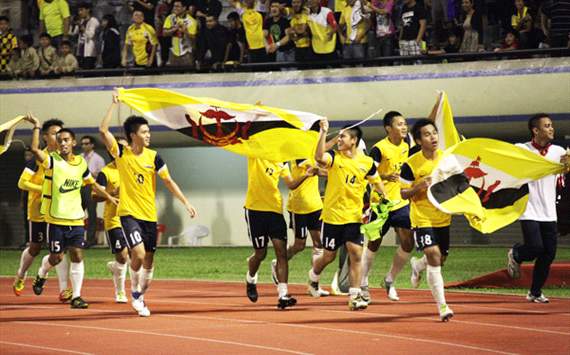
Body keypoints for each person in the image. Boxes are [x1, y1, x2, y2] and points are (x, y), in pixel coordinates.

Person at [100, 92, 197, 317]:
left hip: (149, 216)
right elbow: (103, 131)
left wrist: (186, 202)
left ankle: (140, 294)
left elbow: (169, 181)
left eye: (149, 131)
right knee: (140, 254)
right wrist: (114, 104)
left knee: (150, 262)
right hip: (128, 214)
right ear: (133, 135)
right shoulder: (121, 153)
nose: (148, 135)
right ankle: (134, 291)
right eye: (144, 132)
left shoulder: (154, 157)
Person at [26, 116, 116, 309]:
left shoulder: (81, 164)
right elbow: (34, 150)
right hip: (56, 220)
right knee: (56, 258)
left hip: (76, 218)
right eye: (60, 141)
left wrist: (108, 197)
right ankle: (42, 273)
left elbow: (92, 184)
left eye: (66, 140)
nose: (63, 143)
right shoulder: (52, 161)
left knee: (77, 254)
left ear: (73, 142)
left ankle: (76, 296)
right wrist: (36, 127)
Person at [308, 119, 387, 310]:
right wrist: (323, 132)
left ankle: (354, 296)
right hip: (333, 217)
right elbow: (319, 157)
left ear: (354, 140)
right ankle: (313, 277)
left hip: (354, 217)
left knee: (356, 254)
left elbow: (377, 182)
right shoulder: (334, 158)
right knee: (329, 256)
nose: (339, 138)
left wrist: (383, 198)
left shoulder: (366, 162)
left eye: (342, 136)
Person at [507, 114, 569, 303]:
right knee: (535, 247)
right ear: (535, 130)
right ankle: (516, 253)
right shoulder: (522, 149)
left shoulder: (558, 151)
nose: (551, 129)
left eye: (552, 125)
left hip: (549, 211)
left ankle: (535, 292)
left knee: (548, 254)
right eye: (547, 126)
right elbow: (502, 158)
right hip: (529, 208)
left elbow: (564, 170)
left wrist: (567, 166)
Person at [244, 157, 316, 309]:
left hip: (275, 210)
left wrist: (306, 174)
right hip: (255, 210)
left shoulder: (281, 161)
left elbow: (291, 184)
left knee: (281, 252)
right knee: (260, 254)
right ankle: (250, 279)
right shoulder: (256, 154)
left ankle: (283, 295)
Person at [400, 119, 454, 321]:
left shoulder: (447, 159)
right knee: (433, 254)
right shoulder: (411, 164)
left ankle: (418, 265)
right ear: (418, 140)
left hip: (443, 216)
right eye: (427, 134)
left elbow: (459, 184)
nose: (433, 137)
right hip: (421, 218)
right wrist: (417, 188)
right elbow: (403, 194)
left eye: (434, 133)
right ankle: (443, 307)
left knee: (440, 258)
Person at [13, 118, 72, 302]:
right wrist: (45, 189)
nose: (59, 137)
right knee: (35, 248)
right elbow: (22, 182)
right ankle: (21, 274)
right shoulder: (39, 158)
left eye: (61, 133)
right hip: (38, 210)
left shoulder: (66, 158)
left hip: (59, 211)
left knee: (61, 249)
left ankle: (64, 289)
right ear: (46, 137)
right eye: (55, 134)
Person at [360, 111, 414, 304]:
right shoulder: (379, 149)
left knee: (409, 243)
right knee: (374, 244)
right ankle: (364, 284)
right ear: (388, 128)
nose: (404, 127)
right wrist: (384, 176)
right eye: (399, 124)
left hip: (401, 202)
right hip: (380, 203)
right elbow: (368, 172)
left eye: (405, 123)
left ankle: (390, 280)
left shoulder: (409, 146)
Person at [269, 158, 329, 296]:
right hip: (299, 207)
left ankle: (314, 284)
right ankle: (278, 262)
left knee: (319, 243)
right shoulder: (299, 155)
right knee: (300, 244)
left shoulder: (313, 151)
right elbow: (317, 170)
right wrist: (337, 173)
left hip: (315, 205)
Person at [93, 137, 130, 303]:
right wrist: (110, 195)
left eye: (124, 147)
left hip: (133, 217)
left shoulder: (132, 168)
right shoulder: (105, 172)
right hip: (114, 219)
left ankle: (116, 269)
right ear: (111, 150)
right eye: (117, 147)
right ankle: (121, 292)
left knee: (136, 255)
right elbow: (95, 195)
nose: (121, 150)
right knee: (122, 256)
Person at [80, 135, 106, 246]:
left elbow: (102, 175)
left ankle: (90, 240)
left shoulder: (98, 159)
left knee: (92, 215)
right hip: (79, 187)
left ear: (92, 145)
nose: (84, 146)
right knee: (77, 214)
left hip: (91, 187)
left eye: (86, 143)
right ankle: (77, 239)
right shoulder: (79, 157)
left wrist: (91, 173)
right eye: (82, 144)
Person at [163, 0, 198, 67]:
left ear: (184, 8)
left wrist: (185, 32)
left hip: (187, 53)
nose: (175, 8)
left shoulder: (192, 21)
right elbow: (164, 33)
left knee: (188, 76)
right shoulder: (170, 18)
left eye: (177, 6)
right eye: (174, 6)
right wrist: (174, 29)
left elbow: (194, 40)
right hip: (173, 52)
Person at [73, 2, 100, 69]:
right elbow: (74, 33)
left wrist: (83, 29)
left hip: (89, 52)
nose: (80, 12)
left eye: (81, 10)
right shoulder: (81, 21)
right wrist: (75, 24)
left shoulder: (94, 21)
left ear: (88, 10)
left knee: (88, 72)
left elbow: (91, 35)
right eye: (79, 10)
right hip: (80, 50)